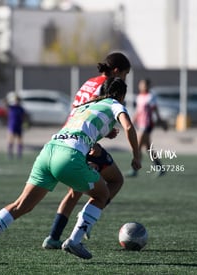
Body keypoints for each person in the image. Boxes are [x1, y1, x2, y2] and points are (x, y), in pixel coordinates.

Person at [0, 77, 141, 263]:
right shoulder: (115, 104)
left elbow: (82, 126)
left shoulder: (84, 106)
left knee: (21, 205)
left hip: (48, 151)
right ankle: (75, 240)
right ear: (121, 95)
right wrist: (136, 156)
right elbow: (129, 127)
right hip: (69, 156)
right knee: (102, 194)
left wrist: (105, 132)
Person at [42, 52, 131, 249]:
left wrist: (104, 132)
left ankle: (54, 237)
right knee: (116, 180)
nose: (125, 79)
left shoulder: (91, 82)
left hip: (68, 136)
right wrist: (91, 147)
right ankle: (87, 220)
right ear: (116, 71)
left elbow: (81, 111)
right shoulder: (105, 87)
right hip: (82, 144)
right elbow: (91, 114)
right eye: (125, 74)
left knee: (75, 191)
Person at [125, 78, 168, 177]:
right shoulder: (139, 96)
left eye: (143, 84)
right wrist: (132, 120)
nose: (141, 86)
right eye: (140, 84)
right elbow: (138, 111)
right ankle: (160, 168)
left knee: (138, 146)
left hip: (147, 125)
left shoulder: (150, 97)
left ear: (147, 86)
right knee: (149, 148)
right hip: (140, 125)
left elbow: (155, 110)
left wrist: (161, 121)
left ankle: (134, 170)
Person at [6, 93, 27, 159]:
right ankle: (10, 153)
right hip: (12, 125)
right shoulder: (12, 107)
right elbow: (4, 104)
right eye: (16, 100)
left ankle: (19, 153)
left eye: (18, 100)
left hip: (19, 126)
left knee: (20, 140)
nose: (17, 101)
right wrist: (8, 98)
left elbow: (24, 117)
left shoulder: (21, 108)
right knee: (11, 139)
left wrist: (25, 124)